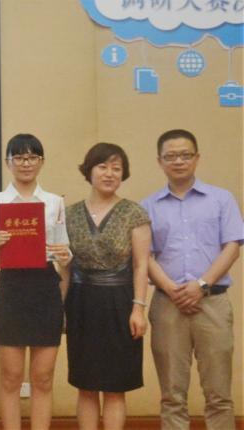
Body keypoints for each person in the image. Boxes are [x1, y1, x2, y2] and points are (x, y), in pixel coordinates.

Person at [142, 129, 242, 430]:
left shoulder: (221, 199)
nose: (178, 161)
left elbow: (232, 246)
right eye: (171, 156)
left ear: (197, 158)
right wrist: (172, 289)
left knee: (219, 394)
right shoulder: (147, 206)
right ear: (159, 161)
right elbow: (144, 256)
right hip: (167, 305)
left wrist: (201, 285)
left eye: (185, 155)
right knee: (172, 395)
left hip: (212, 303)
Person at [0, 134, 71, 430]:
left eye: (32, 157)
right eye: (19, 157)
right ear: (8, 162)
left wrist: (65, 253)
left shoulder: (54, 202)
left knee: (43, 377)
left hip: (45, 288)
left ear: (41, 162)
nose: (26, 163)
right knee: (11, 377)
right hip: (11, 289)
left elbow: (65, 249)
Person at [64, 142, 151, 430]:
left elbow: (141, 265)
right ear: (89, 171)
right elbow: (65, 267)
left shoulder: (134, 213)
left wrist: (138, 309)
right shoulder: (70, 214)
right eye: (103, 166)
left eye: (117, 168)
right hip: (81, 303)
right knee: (85, 384)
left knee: (115, 386)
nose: (110, 173)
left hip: (120, 302)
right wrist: (60, 308)